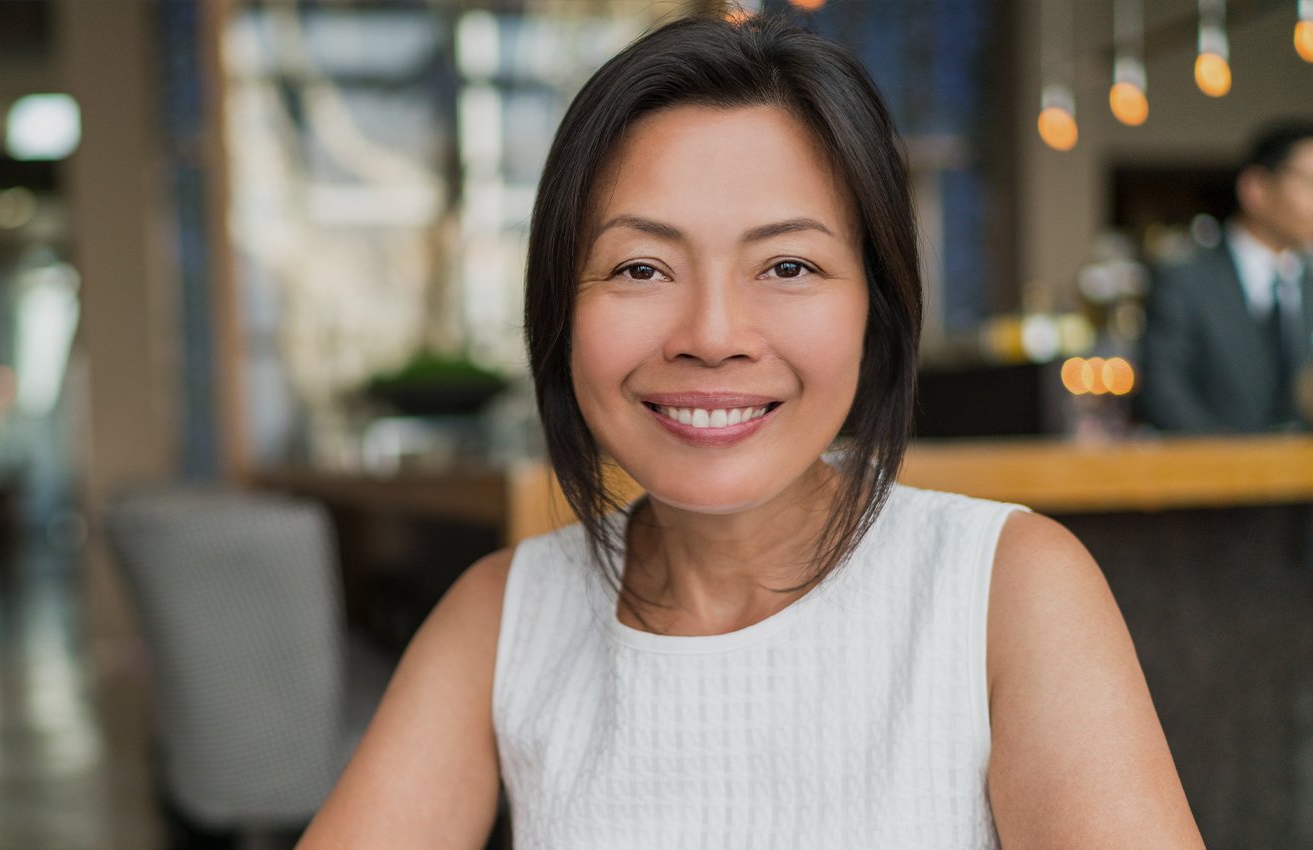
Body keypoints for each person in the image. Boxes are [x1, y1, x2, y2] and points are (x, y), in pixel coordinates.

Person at [299, 14, 1204, 850]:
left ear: (875, 308)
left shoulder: (1007, 590)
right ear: (557, 313)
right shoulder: (504, 615)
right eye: (642, 266)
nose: (714, 336)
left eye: (787, 264)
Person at [1141, 122, 1313, 433]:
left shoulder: (1308, 280)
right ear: (1255, 189)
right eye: (1310, 182)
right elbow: (1163, 393)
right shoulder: (1185, 280)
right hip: (1215, 471)